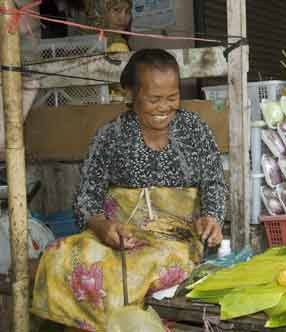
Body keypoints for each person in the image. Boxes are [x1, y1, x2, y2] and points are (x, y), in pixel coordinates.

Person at [31, 49, 226, 331]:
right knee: (60, 254)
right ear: (131, 94)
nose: (164, 107)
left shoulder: (194, 129)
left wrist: (212, 217)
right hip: (119, 235)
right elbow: (87, 197)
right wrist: (101, 226)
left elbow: (214, 183)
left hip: (175, 239)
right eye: (154, 99)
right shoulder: (110, 135)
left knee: (129, 269)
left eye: (172, 98)